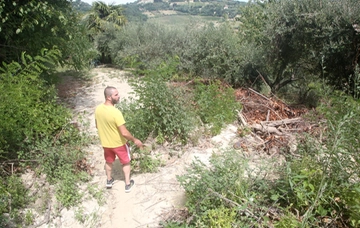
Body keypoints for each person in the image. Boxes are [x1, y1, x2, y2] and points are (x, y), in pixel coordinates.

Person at [95, 86, 143, 192]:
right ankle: (127, 184)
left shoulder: (98, 109)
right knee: (126, 162)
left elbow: (97, 126)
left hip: (106, 143)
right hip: (119, 143)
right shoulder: (116, 112)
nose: (118, 96)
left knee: (108, 161)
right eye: (116, 95)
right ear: (109, 97)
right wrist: (135, 140)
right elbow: (124, 132)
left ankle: (109, 180)